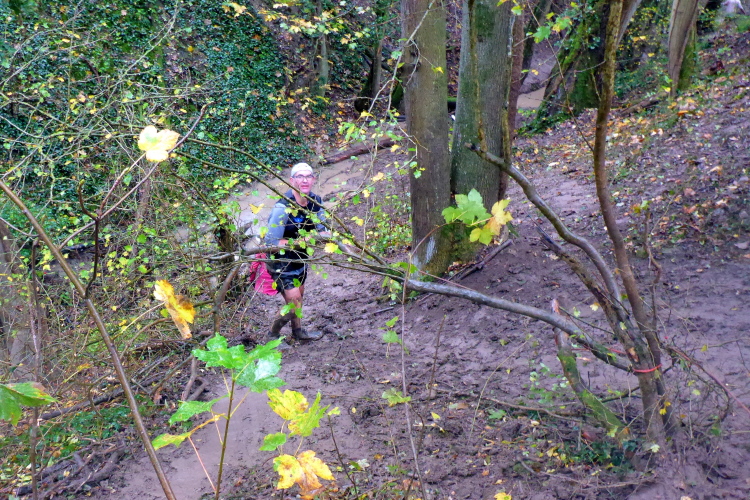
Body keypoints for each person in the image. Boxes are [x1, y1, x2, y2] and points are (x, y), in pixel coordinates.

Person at [264, 162, 328, 342]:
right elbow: (271, 243)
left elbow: (323, 230)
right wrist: (304, 241)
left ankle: (298, 332)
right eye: (300, 176)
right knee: (293, 304)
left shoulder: (316, 202)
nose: (304, 180)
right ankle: (272, 335)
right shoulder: (282, 208)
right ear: (292, 181)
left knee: (299, 298)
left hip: (301, 259)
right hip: (281, 262)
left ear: (313, 180)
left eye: (308, 176)